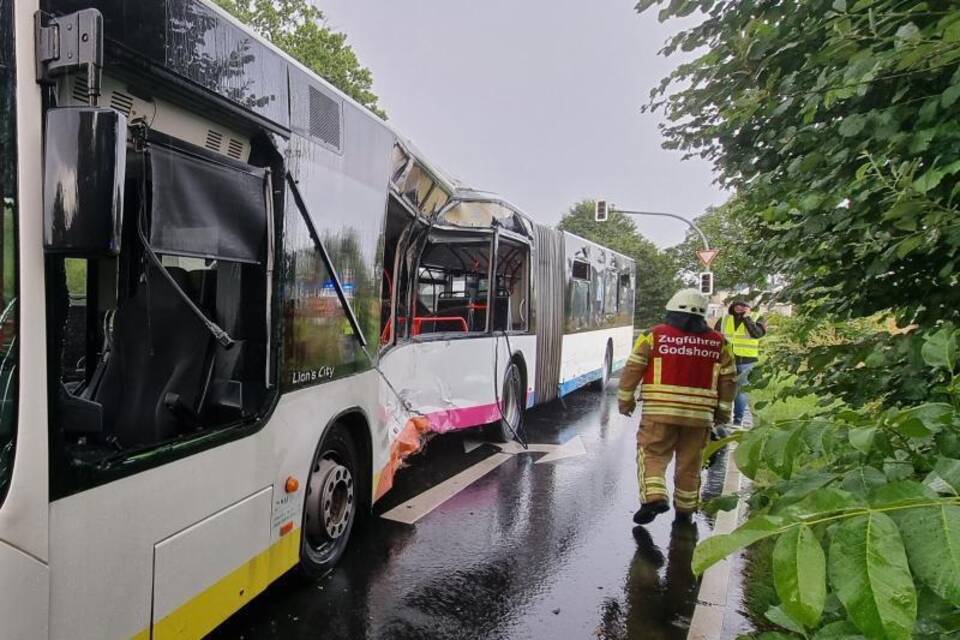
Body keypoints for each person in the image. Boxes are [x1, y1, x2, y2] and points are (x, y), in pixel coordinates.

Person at [618, 289, 736, 525]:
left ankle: (654, 497)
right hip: (699, 417)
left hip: (658, 414)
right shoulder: (719, 342)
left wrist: (626, 400)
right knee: (691, 463)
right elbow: (729, 379)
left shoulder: (654, 336)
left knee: (652, 454)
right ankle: (685, 511)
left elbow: (633, 368)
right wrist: (722, 412)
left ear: (671, 311)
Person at [715, 301, 766, 427]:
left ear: (749, 308)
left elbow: (757, 334)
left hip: (746, 360)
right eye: (737, 306)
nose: (740, 308)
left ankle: (738, 420)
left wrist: (747, 318)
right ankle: (722, 419)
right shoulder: (725, 320)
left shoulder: (756, 318)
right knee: (722, 388)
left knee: (741, 391)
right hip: (726, 359)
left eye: (744, 306)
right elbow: (715, 337)